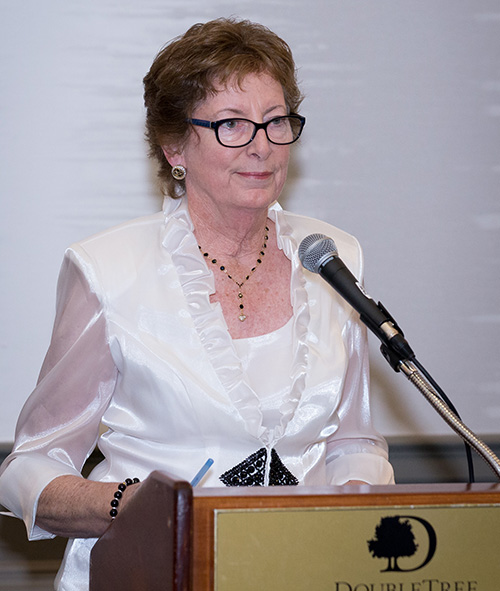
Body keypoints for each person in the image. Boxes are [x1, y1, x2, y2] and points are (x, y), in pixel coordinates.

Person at [0, 17, 394, 590]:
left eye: (275, 121)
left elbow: (354, 440)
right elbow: (29, 468)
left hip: (301, 571)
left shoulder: (332, 258)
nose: (261, 145)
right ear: (174, 145)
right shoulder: (108, 270)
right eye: (232, 124)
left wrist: (352, 509)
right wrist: (131, 506)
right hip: (149, 572)